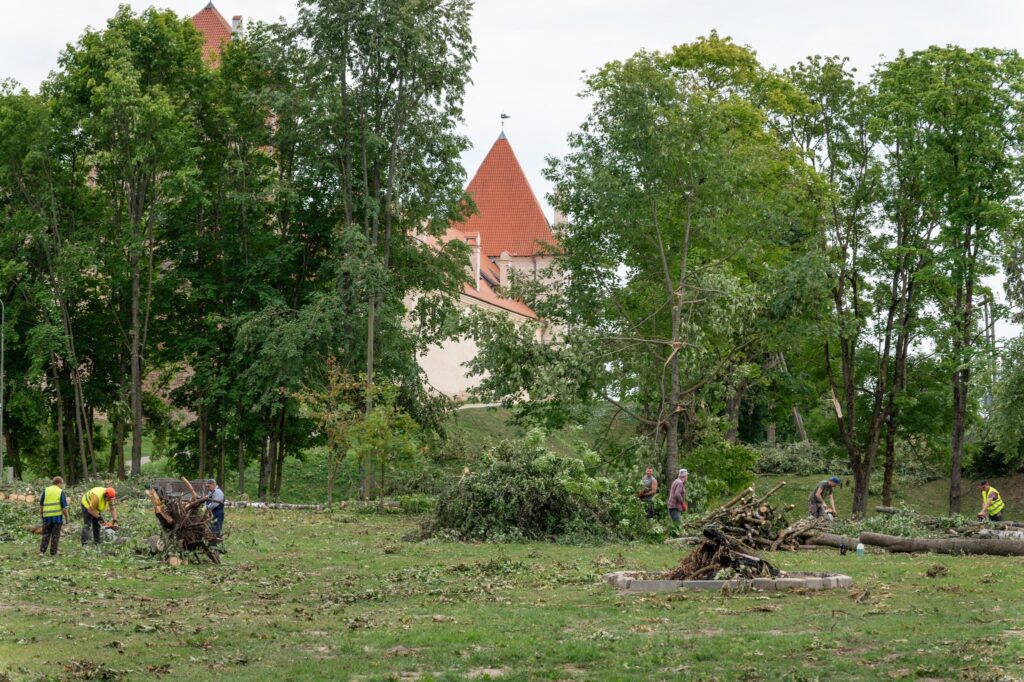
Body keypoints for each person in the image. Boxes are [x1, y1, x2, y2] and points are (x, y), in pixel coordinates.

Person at [39, 476, 70, 557]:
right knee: (55, 535)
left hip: (46, 517)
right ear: (59, 483)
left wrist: (41, 514)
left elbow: (41, 505)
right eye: (62, 484)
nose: (62, 485)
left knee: (45, 534)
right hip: (57, 518)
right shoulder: (60, 492)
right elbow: (64, 507)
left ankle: (42, 552)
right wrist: (67, 518)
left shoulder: (46, 490)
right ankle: (53, 553)